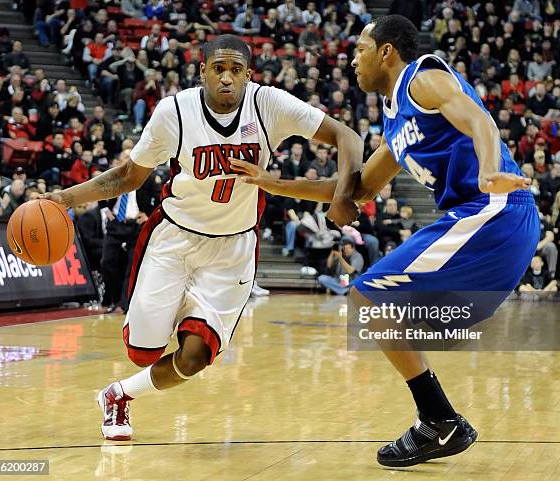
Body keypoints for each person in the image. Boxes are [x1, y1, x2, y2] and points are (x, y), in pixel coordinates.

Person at [231, 15, 539, 467]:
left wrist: (490, 171)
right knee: (379, 309)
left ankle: (438, 421)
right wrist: (271, 182)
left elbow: (479, 120)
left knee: (368, 298)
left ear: (386, 52)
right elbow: (354, 190)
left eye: (359, 49)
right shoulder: (396, 124)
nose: (352, 58)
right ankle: (440, 418)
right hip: (486, 223)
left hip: (494, 211)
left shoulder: (424, 77)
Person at [42, 35, 362, 441]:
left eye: (235, 71)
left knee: (194, 358)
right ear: (202, 72)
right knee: (143, 350)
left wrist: (344, 194)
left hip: (232, 250)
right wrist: (65, 198)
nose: (226, 79)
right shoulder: (173, 111)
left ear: (249, 75)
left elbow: (348, 137)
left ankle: (118, 394)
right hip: (175, 239)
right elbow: (128, 177)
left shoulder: (269, 104)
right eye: (218, 69)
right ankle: (172, 318)